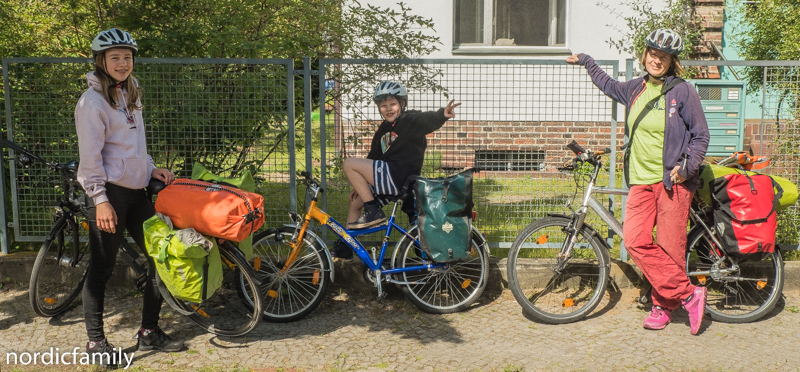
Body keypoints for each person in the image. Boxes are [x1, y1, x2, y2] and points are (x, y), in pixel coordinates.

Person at [566, 28, 710, 334]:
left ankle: (662, 306)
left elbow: (701, 136)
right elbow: (607, 83)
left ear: (672, 62)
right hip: (641, 182)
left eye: (664, 57)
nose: (657, 60)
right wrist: (587, 61)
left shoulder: (683, 91)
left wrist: (686, 168)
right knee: (634, 240)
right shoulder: (634, 88)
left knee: (670, 248)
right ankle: (688, 294)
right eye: (653, 54)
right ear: (645, 55)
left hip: (673, 183)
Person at [75, 28, 183, 365]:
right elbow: (91, 157)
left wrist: (150, 168)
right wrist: (99, 199)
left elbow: (134, 145)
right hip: (110, 195)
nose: (123, 63)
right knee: (101, 270)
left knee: (159, 260)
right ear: (101, 61)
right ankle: (96, 343)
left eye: (127, 57)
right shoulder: (91, 102)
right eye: (115, 57)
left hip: (138, 194)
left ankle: (148, 331)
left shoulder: (130, 94)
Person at [331, 80, 461, 258]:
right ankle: (348, 246)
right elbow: (373, 157)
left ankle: (373, 211)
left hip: (399, 176)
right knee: (355, 202)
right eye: (383, 105)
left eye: (392, 104)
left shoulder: (409, 120)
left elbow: (426, 120)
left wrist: (442, 115)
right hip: (387, 177)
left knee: (348, 163)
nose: (388, 108)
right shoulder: (383, 129)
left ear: (402, 104)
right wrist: (359, 184)